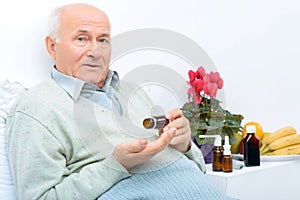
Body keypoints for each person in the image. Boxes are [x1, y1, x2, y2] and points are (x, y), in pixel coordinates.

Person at [6, 3, 235, 200]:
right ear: (52, 46)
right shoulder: (36, 108)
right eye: (81, 38)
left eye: (103, 40)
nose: (95, 51)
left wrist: (184, 144)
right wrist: (115, 165)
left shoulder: (132, 92)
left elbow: (196, 169)